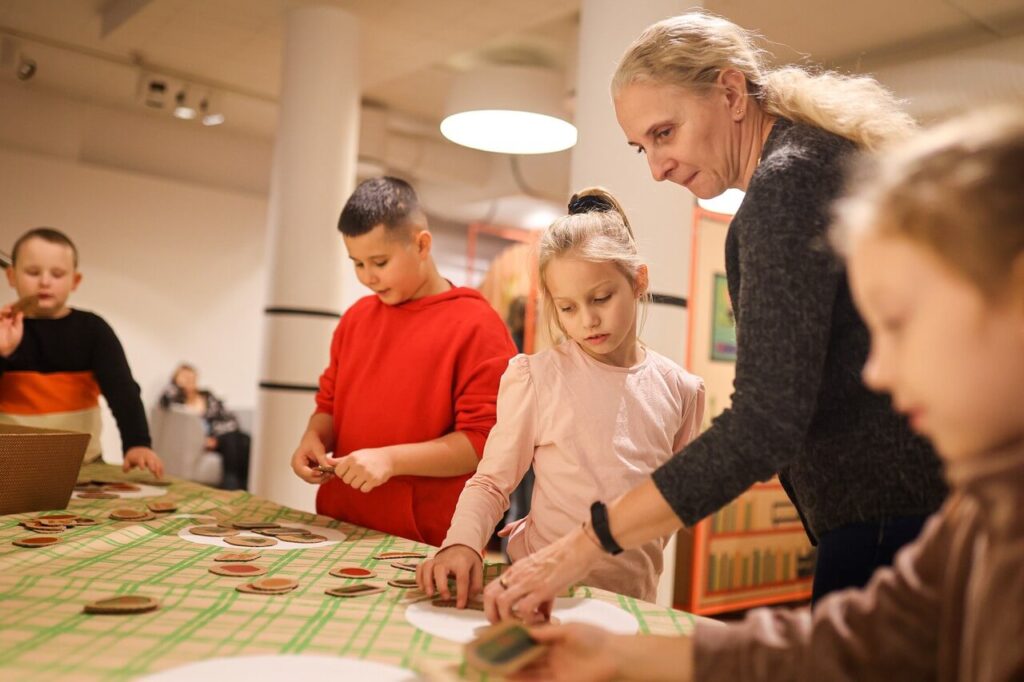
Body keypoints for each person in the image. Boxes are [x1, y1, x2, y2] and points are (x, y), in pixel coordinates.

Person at [512, 106, 1024, 682]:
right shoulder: (981, 511)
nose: (877, 373)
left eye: (901, 323)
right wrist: (622, 656)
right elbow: (860, 641)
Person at [487, 10, 947, 619]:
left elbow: (765, 423)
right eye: (641, 146)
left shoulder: (783, 189)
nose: (656, 167)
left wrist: (585, 543)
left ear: (731, 93)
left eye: (665, 133)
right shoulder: (819, 159)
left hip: (891, 516)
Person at [416, 188, 705, 604]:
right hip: (539, 592)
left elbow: (670, 503)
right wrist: (460, 543)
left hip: (631, 600)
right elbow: (492, 482)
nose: (587, 320)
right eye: (567, 308)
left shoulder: (681, 389)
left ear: (638, 280)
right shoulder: (536, 377)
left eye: (601, 298)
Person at [289, 177, 516, 546]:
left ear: (422, 244)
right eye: (357, 263)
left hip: (421, 540)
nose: (368, 277)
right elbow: (328, 404)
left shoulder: (477, 325)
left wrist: (391, 461)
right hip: (337, 523)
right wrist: (313, 436)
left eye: (379, 261)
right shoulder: (356, 319)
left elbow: (482, 443)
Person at [0, 227, 164, 477]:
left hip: (83, 466)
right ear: (11, 276)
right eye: (33, 272)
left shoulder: (93, 330)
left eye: (57, 273)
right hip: (10, 469)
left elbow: (123, 392)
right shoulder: (1, 329)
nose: (45, 281)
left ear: (74, 281)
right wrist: (2, 353)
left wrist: (137, 443)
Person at [159, 363, 250, 490]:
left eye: (192, 377)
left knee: (244, 440)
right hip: (201, 441)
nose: (189, 380)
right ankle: (231, 485)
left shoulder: (207, 396)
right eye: (185, 377)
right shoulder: (176, 399)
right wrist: (176, 386)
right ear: (176, 379)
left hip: (220, 436)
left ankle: (241, 484)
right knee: (233, 441)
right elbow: (164, 400)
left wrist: (216, 438)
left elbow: (228, 417)